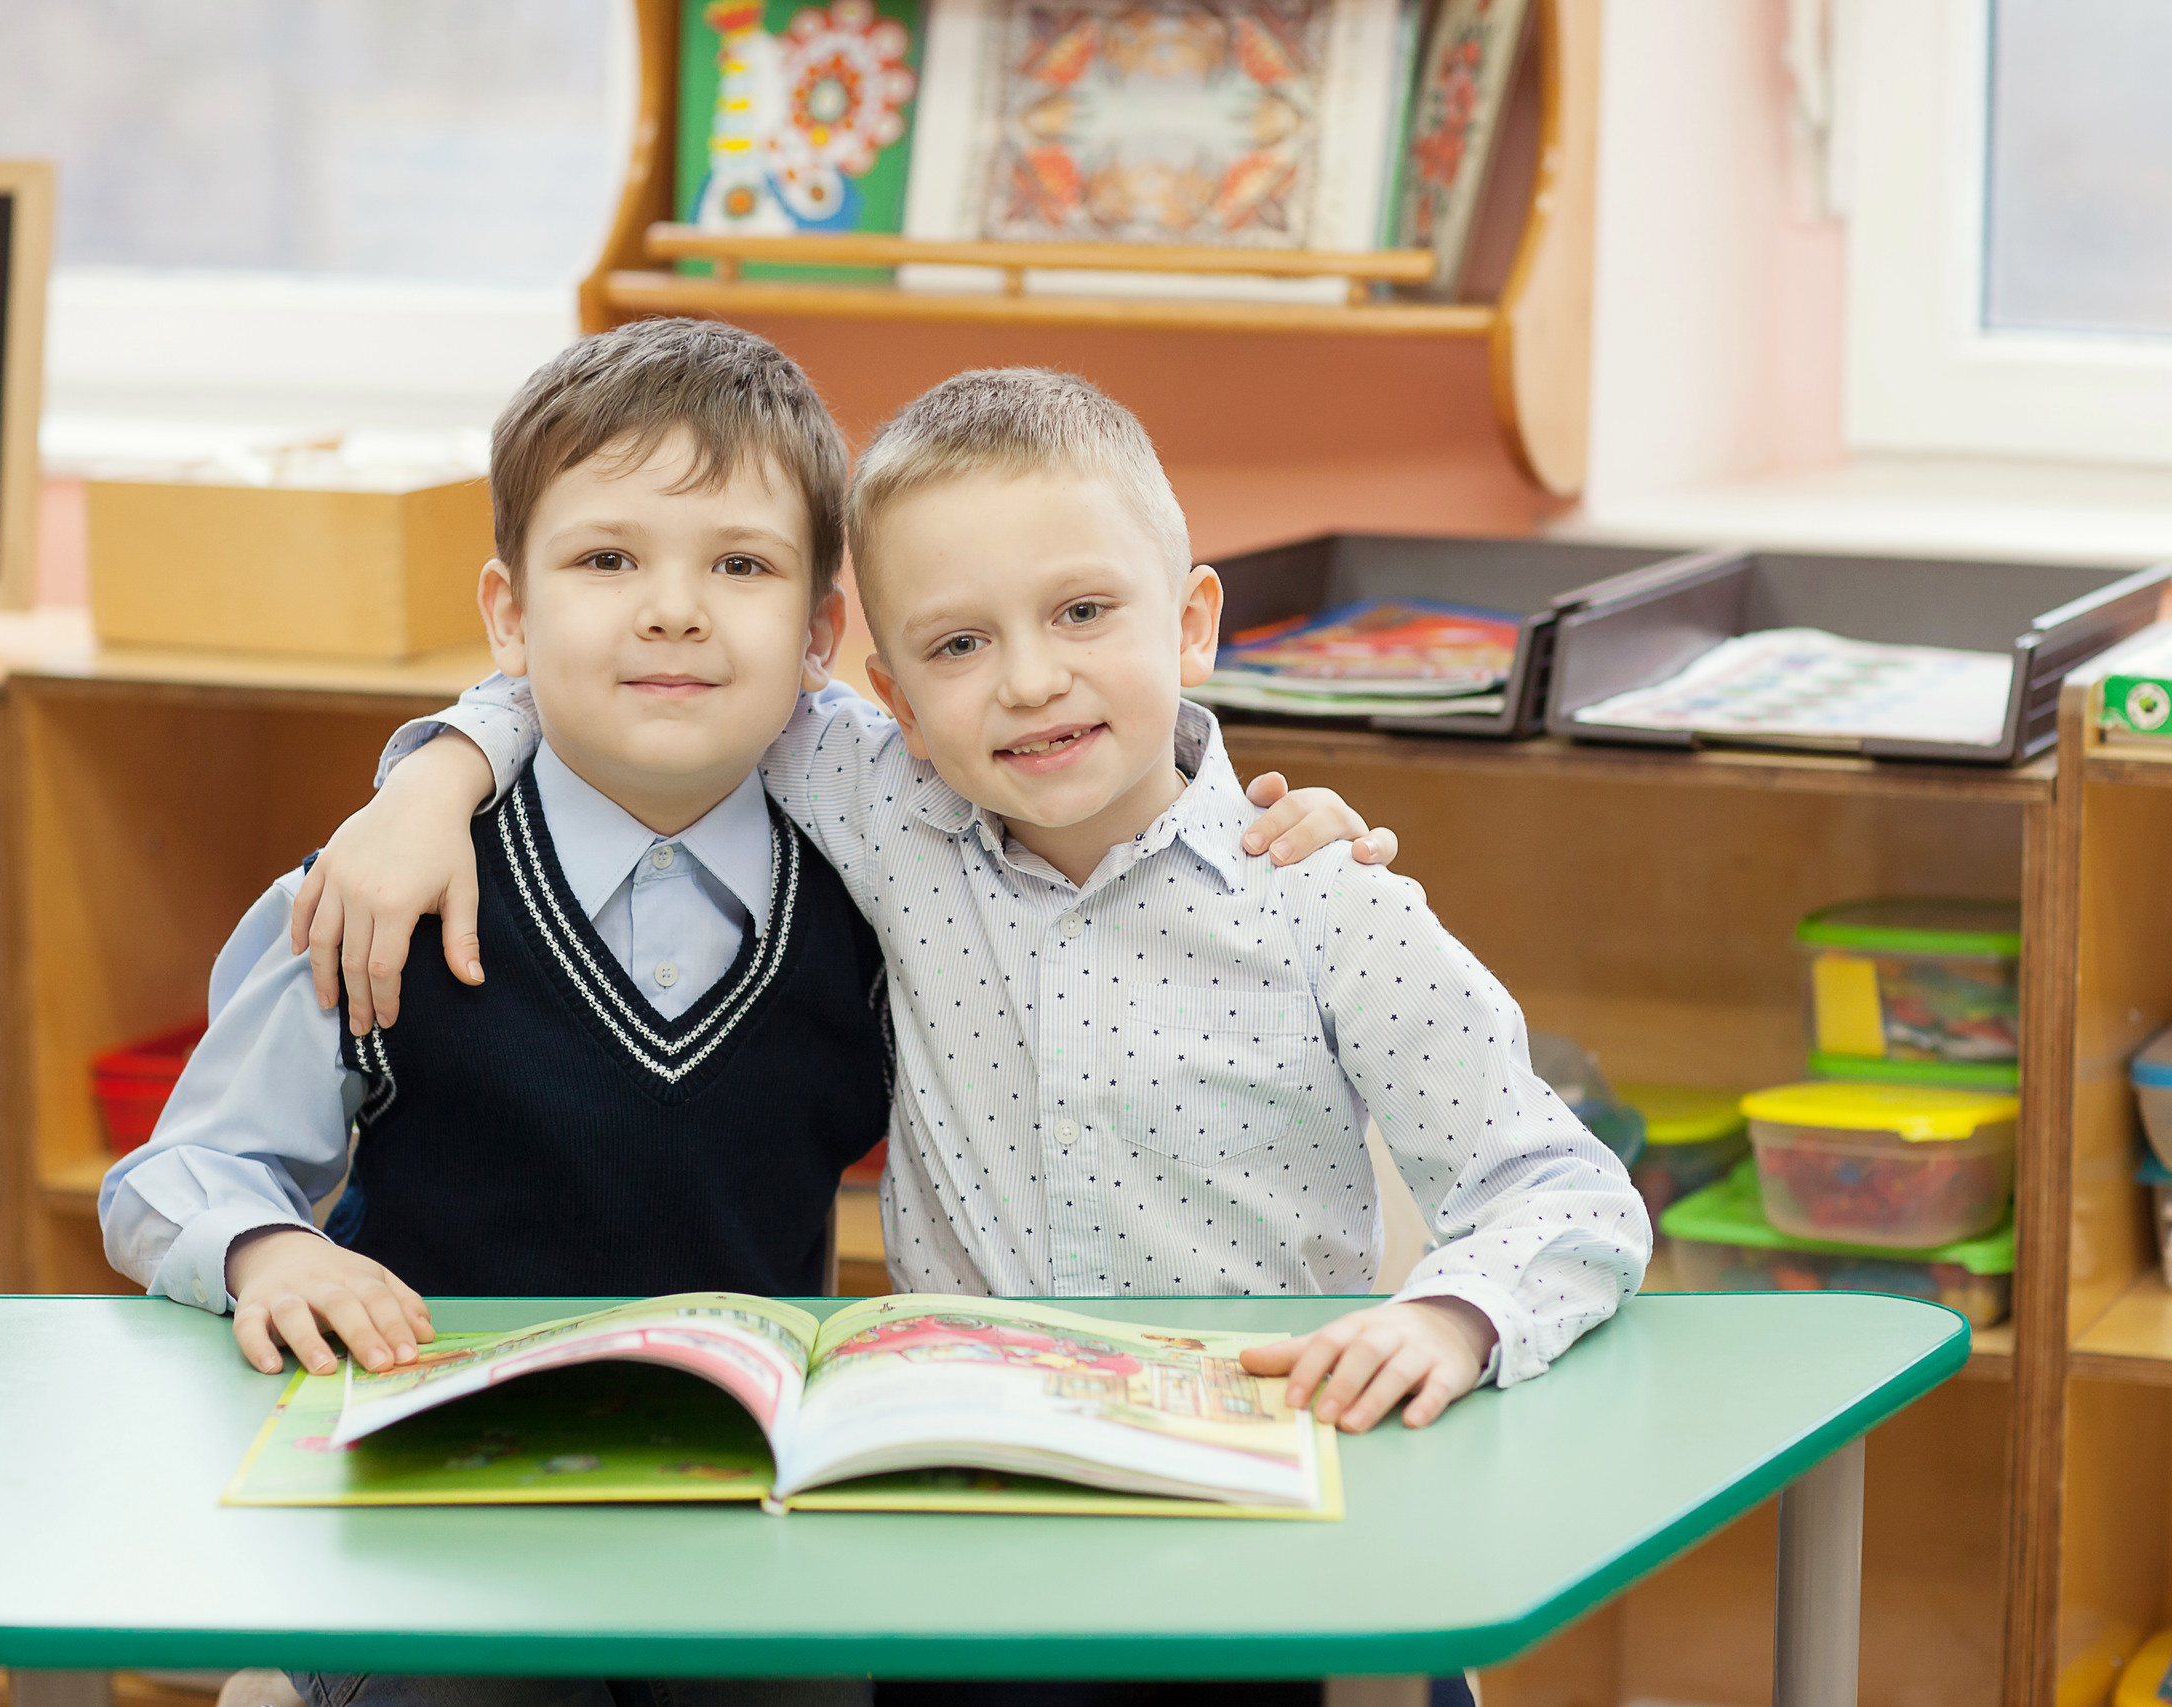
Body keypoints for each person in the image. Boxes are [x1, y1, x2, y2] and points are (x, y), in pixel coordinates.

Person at [102, 324, 1390, 1707]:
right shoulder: (379, 892)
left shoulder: (889, 885)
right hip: (446, 1528)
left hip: (757, 1530)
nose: (673, 611)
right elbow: (174, 1173)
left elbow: (1105, 850)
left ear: (826, 638)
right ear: (509, 612)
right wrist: (260, 1253)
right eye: (607, 561)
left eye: (741, 566)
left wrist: (1271, 835)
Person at [305, 365, 1650, 1452]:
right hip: (967, 1483)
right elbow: (639, 667)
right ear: (887, 693)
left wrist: (1455, 1318)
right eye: (957, 644)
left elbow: (1566, 1193)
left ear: (1191, 625)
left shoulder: (1330, 903)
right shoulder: (882, 804)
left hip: (1267, 1469)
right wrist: (441, 770)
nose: (1027, 683)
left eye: (1081, 611)